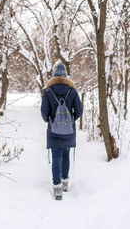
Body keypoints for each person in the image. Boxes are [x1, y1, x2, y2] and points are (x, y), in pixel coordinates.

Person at [41, 63, 83, 200]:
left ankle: (57, 188)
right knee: (66, 155)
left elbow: (44, 114)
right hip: (69, 131)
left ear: (53, 76)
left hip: (54, 131)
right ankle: (65, 183)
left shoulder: (47, 92)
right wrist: (70, 120)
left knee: (56, 157)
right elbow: (79, 111)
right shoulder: (72, 91)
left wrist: (51, 121)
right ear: (65, 76)